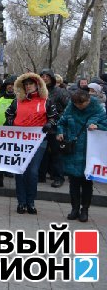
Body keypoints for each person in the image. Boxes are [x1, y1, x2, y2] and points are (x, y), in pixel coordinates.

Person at [5, 73, 58, 214]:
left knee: (33, 172)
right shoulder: (17, 101)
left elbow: (54, 117)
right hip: (19, 140)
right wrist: (11, 123)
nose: (28, 86)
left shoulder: (46, 101)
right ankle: (21, 202)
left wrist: (49, 124)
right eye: (26, 84)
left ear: (37, 85)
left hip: (38, 141)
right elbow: (9, 114)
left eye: (31, 84)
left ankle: (31, 202)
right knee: (20, 171)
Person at [57, 89, 107, 222]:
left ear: (88, 101)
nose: (79, 107)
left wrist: (97, 126)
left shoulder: (98, 109)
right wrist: (60, 132)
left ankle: (84, 210)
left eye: (82, 104)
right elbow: (61, 122)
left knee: (86, 183)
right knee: (73, 182)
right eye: (77, 104)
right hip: (72, 150)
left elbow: (105, 125)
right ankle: (74, 209)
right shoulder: (70, 108)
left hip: (89, 152)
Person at [39, 69, 70, 188]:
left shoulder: (61, 92)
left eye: (47, 76)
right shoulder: (38, 92)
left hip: (56, 128)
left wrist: (55, 120)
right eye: (42, 76)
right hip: (40, 128)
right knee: (41, 153)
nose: (45, 78)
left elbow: (67, 110)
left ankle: (58, 177)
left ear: (52, 78)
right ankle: (40, 176)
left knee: (57, 154)